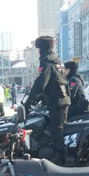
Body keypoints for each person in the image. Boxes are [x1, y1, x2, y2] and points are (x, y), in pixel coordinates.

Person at [24, 36, 70, 164]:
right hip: (61, 99)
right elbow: (57, 82)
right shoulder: (58, 61)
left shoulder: (47, 62)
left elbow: (40, 84)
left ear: (41, 49)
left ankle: (60, 158)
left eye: (38, 49)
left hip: (57, 101)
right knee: (53, 127)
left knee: (56, 129)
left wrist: (29, 102)